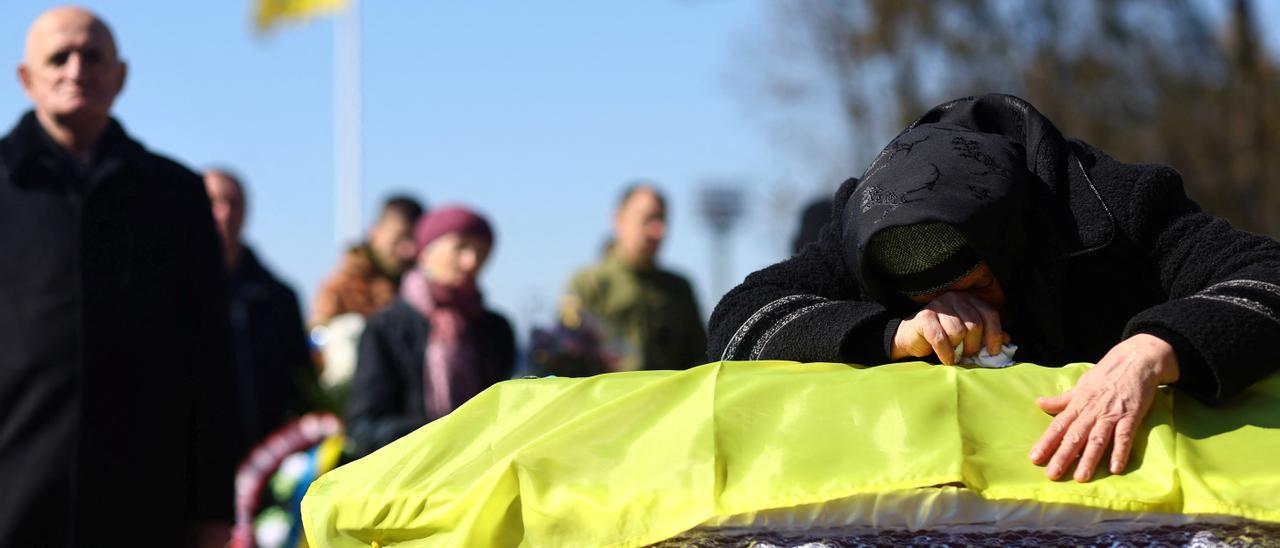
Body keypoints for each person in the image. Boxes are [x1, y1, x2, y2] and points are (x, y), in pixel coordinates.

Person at [709, 94, 1280, 484]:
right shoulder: (869, 223)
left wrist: (1154, 349)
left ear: (1011, 244)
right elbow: (737, 323)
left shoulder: (1116, 205)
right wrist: (895, 333)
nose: (970, 309)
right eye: (930, 292)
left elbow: (1268, 273)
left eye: (978, 282)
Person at [0, 7, 236, 546]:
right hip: (13, 494)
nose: (76, 69)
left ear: (121, 75)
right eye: (58, 57)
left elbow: (210, 359)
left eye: (93, 56)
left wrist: (213, 510)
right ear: (25, 78)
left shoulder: (173, 194)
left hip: (144, 502)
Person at [345, 206, 515, 456]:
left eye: (481, 252)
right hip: (408, 478)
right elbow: (364, 426)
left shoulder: (495, 329)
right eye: (460, 248)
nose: (471, 262)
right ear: (425, 252)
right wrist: (444, 435)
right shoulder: (387, 328)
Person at [205, 168, 322, 452]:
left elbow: (299, 382)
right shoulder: (171, 293)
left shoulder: (277, 297)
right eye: (214, 202)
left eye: (234, 202)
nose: (225, 213)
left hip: (267, 456)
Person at [558, 183, 707, 374]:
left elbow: (698, 360)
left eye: (662, 220)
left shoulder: (678, 289)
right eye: (648, 219)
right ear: (619, 220)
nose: (657, 230)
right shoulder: (588, 284)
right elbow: (568, 353)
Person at [310, 195, 426, 327]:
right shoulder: (341, 288)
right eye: (399, 239)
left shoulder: (429, 289)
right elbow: (317, 337)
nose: (408, 250)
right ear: (375, 232)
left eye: (414, 240)